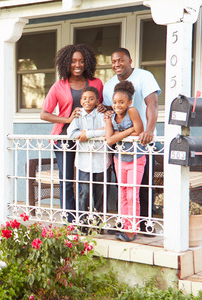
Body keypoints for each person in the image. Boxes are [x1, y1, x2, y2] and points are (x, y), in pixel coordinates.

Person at [40, 44, 104, 224]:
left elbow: (105, 108)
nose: (78, 65)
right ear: (66, 63)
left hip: (90, 140)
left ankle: (92, 218)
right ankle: (71, 219)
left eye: (81, 61)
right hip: (64, 139)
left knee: (92, 179)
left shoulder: (96, 83)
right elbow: (44, 114)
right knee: (67, 180)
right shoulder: (59, 86)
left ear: (87, 63)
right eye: (74, 61)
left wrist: (102, 107)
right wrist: (67, 120)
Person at [102, 48, 161, 233]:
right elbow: (109, 109)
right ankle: (126, 224)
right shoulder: (109, 85)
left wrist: (149, 131)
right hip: (120, 146)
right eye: (113, 61)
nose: (117, 64)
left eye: (120, 60)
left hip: (142, 142)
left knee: (141, 187)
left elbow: (152, 103)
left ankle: (144, 226)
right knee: (123, 188)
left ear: (130, 60)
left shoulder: (144, 76)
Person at [105, 81, 145, 242]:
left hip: (136, 157)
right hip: (119, 158)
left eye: (121, 102)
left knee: (132, 193)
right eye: (114, 102)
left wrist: (119, 133)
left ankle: (132, 230)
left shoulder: (132, 111)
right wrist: (129, 131)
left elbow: (140, 131)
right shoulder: (110, 116)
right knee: (122, 193)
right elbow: (109, 140)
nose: (117, 105)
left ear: (129, 102)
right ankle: (124, 225)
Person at [67, 86, 110, 229]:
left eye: (91, 98)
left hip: (101, 161)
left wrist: (85, 133)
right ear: (81, 100)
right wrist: (93, 133)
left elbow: (107, 132)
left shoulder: (102, 115)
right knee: (84, 193)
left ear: (97, 101)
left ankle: (98, 225)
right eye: (85, 98)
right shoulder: (78, 115)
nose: (87, 101)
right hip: (84, 162)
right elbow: (71, 134)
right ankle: (82, 225)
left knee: (100, 194)